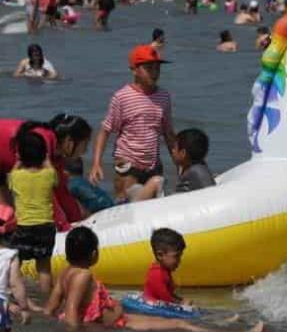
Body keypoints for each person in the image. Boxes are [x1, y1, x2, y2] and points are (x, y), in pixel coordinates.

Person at [43, 227, 212, 332]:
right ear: (94, 254)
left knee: (175, 323)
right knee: (177, 324)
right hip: (114, 324)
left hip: (116, 319)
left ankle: (208, 329)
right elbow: (72, 309)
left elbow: (50, 308)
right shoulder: (83, 276)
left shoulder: (65, 273)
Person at [89, 44, 176, 202]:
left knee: (155, 207)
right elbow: (105, 131)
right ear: (135, 70)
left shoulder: (164, 96)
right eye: (149, 68)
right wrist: (96, 164)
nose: (155, 73)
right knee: (126, 205)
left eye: (157, 68)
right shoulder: (122, 97)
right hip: (128, 165)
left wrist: (180, 164)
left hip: (153, 164)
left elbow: (169, 133)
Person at [9, 128, 58, 295]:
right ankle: (46, 299)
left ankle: (16, 296)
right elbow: (54, 178)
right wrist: (46, 159)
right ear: (43, 154)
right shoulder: (49, 174)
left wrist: (18, 160)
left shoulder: (15, 176)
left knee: (16, 264)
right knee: (44, 268)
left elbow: (12, 175)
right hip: (46, 226)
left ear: (20, 156)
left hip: (23, 226)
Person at [143, 228, 187, 304]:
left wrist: (181, 300)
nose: (179, 260)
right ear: (160, 255)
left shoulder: (165, 270)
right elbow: (166, 299)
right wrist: (182, 303)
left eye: (180, 256)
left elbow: (169, 294)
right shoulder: (156, 274)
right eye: (176, 256)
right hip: (151, 306)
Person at [173, 128, 215, 193]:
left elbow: (211, 193)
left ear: (183, 153)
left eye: (175, 148)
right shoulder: (200, 166)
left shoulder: (195, 172)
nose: (172, 151)